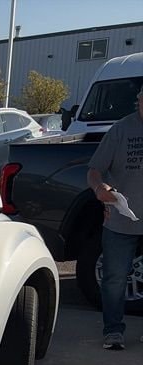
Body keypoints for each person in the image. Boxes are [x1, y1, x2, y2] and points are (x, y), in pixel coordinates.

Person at [87, 84, 143, 350]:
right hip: (122, 219)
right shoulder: (121, 130)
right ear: (139, 101)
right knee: (114, 279)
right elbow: (94, 170)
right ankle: (113, 331)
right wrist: (100, 189)